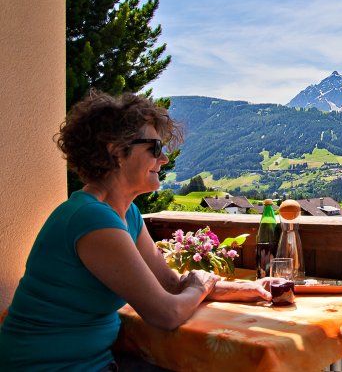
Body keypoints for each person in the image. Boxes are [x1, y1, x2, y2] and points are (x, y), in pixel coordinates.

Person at [0, 91, 271, 371]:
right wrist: (200, 285)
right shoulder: (92, 219)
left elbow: (170, 283)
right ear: (115, 151)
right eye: (154, 148)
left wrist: (249, 287)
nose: (164, 159)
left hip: (95, 361)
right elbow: (166, 314)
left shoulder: (126, 214)